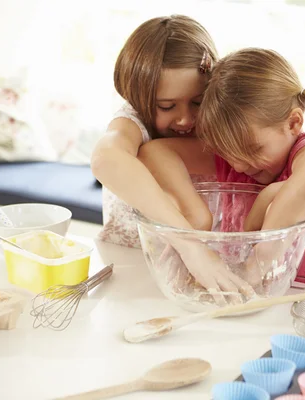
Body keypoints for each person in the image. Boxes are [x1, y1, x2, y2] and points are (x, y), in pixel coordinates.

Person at [139, 48, 305, 294]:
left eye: (253, 148)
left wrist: (256, 263)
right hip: (253, 302)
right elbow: (153, 153)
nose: (239, 166)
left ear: (294, 123)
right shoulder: (238, 159)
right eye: (227, 151)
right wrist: (196, 213)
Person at [91, 15, 218, 249]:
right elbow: (105, 159)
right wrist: (187, 242)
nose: (185, 118)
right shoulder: (133, 122)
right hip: (126, 258)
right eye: (166, 106)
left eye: (198, 102)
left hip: (198, 270)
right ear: (138, 98)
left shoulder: (219, 124)